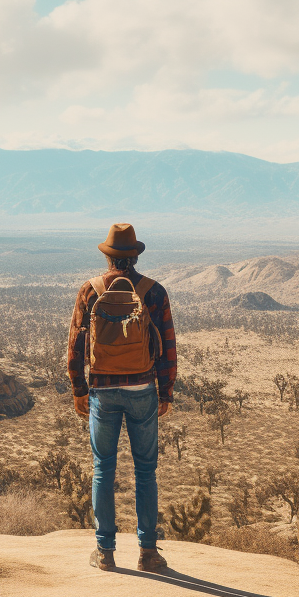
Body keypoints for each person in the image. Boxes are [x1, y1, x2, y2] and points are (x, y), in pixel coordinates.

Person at [67, 223, 177, 572]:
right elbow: (168, 347)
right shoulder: (154, 292)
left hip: (103, 389)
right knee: (146, 470)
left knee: (103, 468)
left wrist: (79, 389)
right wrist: (166, 391)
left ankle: (105, 552)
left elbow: (75, 346)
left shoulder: (90, 290)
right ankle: (147, 553)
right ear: (136, 255)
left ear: (107, 256)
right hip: (143, 388)